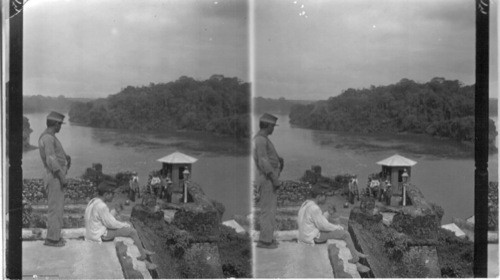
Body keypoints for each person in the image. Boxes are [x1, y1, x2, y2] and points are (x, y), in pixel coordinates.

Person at [297, 184, 369, 272]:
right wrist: (336, 227)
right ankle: (356, 260)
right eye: (325, 197)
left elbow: (317, 221)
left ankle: (355, 252)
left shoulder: (306, 204)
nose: (325, 199)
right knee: (345, 233)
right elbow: (323, 226)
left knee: (341, 230)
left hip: (305, 235)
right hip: (314, 237)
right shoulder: (314, 208)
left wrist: (329, 218)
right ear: (319, 196)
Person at [85, 181, 156, 263]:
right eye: (112, 194)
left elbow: (105, 219)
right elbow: (111, 224)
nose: (113, 196)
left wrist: (119, 220)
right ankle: (143, 255)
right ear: (106, 194)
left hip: (92, 232)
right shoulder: (102, 206)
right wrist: (123, 224)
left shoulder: (93, 201)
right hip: (99, 235)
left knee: (127, 226)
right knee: (132, 231)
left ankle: (141, 249)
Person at [39, 111, 71, 247]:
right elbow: (51, 159)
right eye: (60, 124)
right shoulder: (48, 138)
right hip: (54, 177)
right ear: (56, 124)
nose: (61, 127)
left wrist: (65, 159)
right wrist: (62, 177)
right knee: (55, 208)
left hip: (55, 176)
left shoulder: (50, 137)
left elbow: (54, 156)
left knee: (57, 207)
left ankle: (54, 236)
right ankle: (52, 239)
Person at [253, 113, 283, 249]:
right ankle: (265, 241)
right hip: (267, 179)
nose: (273, 129)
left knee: (270, 209)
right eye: (273, 126)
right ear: (268, 126)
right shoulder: (260, 140)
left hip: (268, 178)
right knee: (267, 209)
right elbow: (263, 161)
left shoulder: (263, 139)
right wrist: (275, 178)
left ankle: (268, 238)